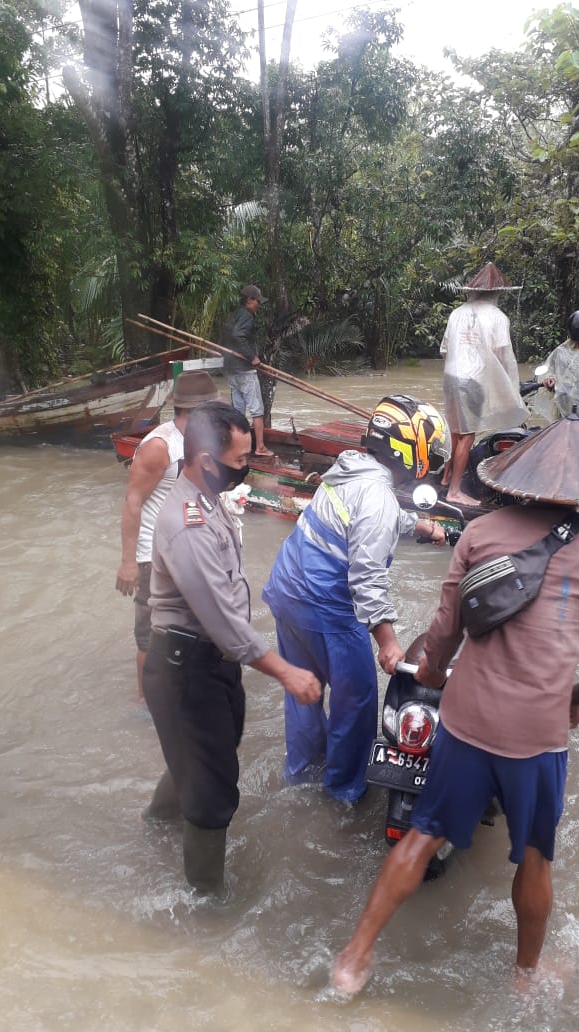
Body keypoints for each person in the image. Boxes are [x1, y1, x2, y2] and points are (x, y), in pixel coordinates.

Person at [331, 414, 579, 994]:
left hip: (466, 719)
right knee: (534, 855)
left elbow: (443, 633)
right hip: (538, 734)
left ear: (518, 476)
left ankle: (353, 958)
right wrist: (575, 701)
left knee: (424, 834)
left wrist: (427, 671)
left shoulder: (480, 533)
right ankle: (525, 977)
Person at [141, 401, 321, 894]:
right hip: (185, 668)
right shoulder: (187, 523)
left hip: (205, 666)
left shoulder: (210, 502)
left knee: (204, 757)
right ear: (205, 463)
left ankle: (154, 829)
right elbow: (221, 621)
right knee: (213, 792)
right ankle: (204, 907)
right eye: (241, 461)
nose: (248, 469)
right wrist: (286, 671)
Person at [262, 396, 449, 805]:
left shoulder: (349, 469)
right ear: (409, 452)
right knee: (358, 702)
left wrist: (417, 525)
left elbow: (364, 521)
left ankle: (301, 774)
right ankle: (343, 792)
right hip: (326, 607)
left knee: (304, 690)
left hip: (288, 592)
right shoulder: (378, 497)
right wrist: (388, 642)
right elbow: (365, 576)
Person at [115, 370, 219, 700]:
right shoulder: (160, 447)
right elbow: (133, 503)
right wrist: (128, 563)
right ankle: (146, 703)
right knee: (152, 635)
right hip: (154, 557)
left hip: (189, 553)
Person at [439, 262, 528, 505]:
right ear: (496, 293)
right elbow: (504, 356)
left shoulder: (456, 313)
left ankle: (446, 477)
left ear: (473, 291)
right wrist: (511, 390)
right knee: (468, 435)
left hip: (451, 376)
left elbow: (445, 349)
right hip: (474, 379)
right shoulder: (498, 317)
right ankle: (455, 491)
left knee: (454, 430)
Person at [220, 285, 274, 457]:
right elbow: (238, 336)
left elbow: (228, 339)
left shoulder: (233, 315)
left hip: (231, 370)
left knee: (238, 410)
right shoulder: (246, 317)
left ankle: (237, 446)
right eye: (258, 301)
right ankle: (260, 447)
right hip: (244, 370)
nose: (259, 304)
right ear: (249, 300)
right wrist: (252, 357)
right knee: (257, 410)